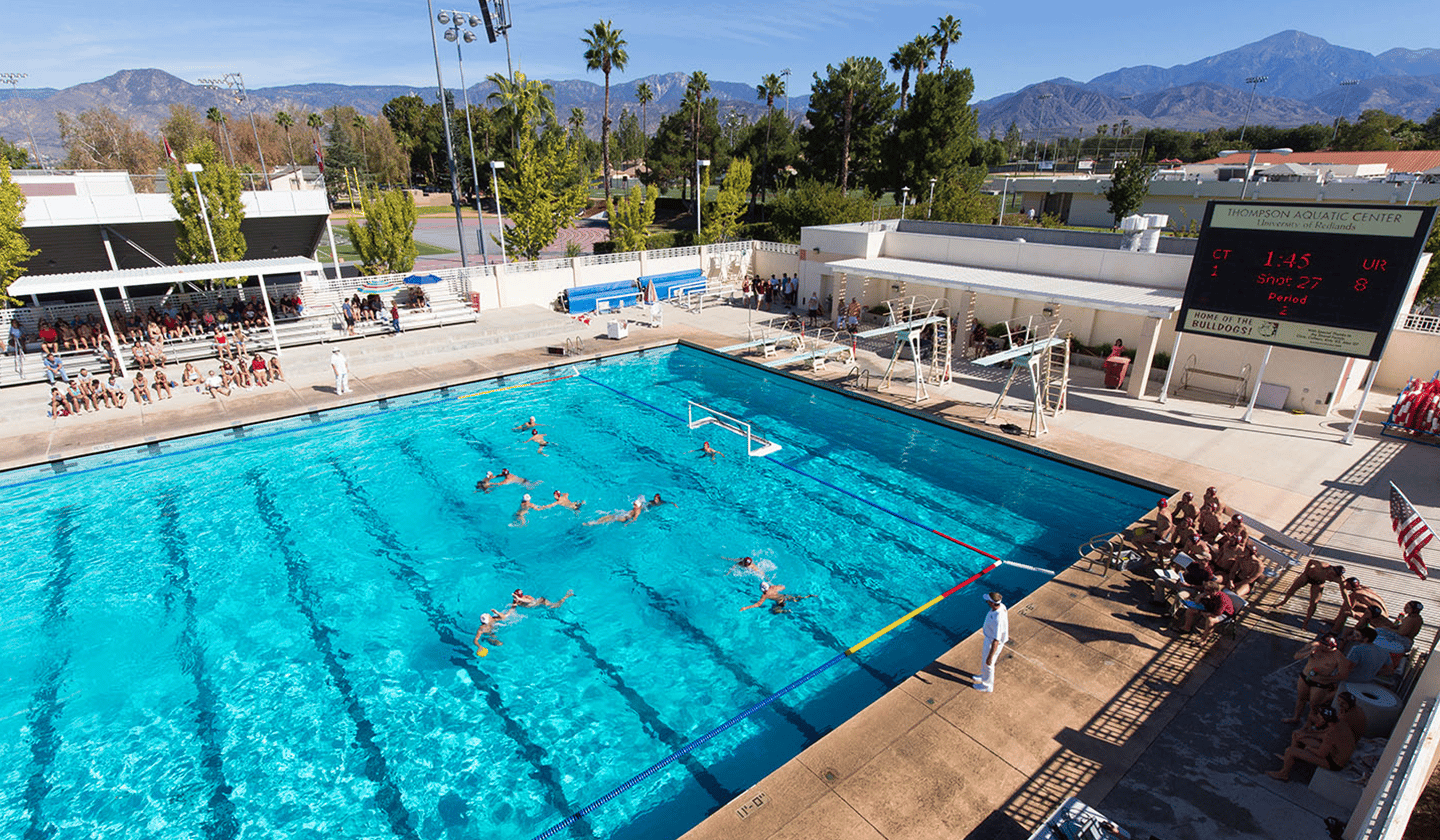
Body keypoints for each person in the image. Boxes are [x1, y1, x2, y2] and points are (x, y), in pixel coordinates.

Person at [1267, 705, 1355, 782]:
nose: (1318, 718)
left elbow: (1321, 754)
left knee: (1290, 750)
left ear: (1324, 720)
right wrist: (1307, 734)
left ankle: (1283, 774)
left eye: (1320, 717)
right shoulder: (1338, 723)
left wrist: (1309, 748)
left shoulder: (1331, 733)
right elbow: (1323, 735)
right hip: (1333, 751)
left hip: (1333, 762)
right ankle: (1289, 759)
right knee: (1297, 734)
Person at [1283, 634, 1352, 724]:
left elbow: (1343, 675)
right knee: (1301, 699)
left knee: (1314, 706)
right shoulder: (1314, 646)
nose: (1322, 648)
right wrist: (1308, 653)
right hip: (1306, 677)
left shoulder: (1339, 657)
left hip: (1320, 684)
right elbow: (1296, 656)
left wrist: (1326, 679)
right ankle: (1296, 717)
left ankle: (1307, 726)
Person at [1273, 558, 1347, 631]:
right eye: (1330, 573)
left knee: (1314, 603)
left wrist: (1347, 601)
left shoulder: (1338, 579)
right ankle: (1283, 602)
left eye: (1333, 576)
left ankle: (1306, 622)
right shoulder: (1322, 565)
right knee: (1292, 590)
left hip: (1318, 583)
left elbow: (1344, 590)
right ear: (1332, 568)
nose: (1330, 576)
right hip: (1307, 576)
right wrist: (1305, 572)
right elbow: (1311, 561)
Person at [1179, 580, 1234, 646]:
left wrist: (1203, 613)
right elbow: (1197, 602)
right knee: (1190, 610)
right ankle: (1186, 627)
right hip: (1211, 609)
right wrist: (1200, 597)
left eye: (1207, 590)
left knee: (1210, 620)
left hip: (1224, 614)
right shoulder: (1208, 595)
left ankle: (1204, 639)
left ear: (1213, 591)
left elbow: (1217, 613)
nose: (1205, 591)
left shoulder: (1221, 599)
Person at [974, 591, 1009, 693]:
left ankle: (987, 686)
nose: (987, 602)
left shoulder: (998, 618)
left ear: (993, 603)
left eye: (988, 601)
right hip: (989, 639)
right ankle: (984, 676)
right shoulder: (1001, 606)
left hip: (992, 642)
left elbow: (996, 640)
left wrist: (991, 656)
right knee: (985, 661)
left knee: (989, 663)